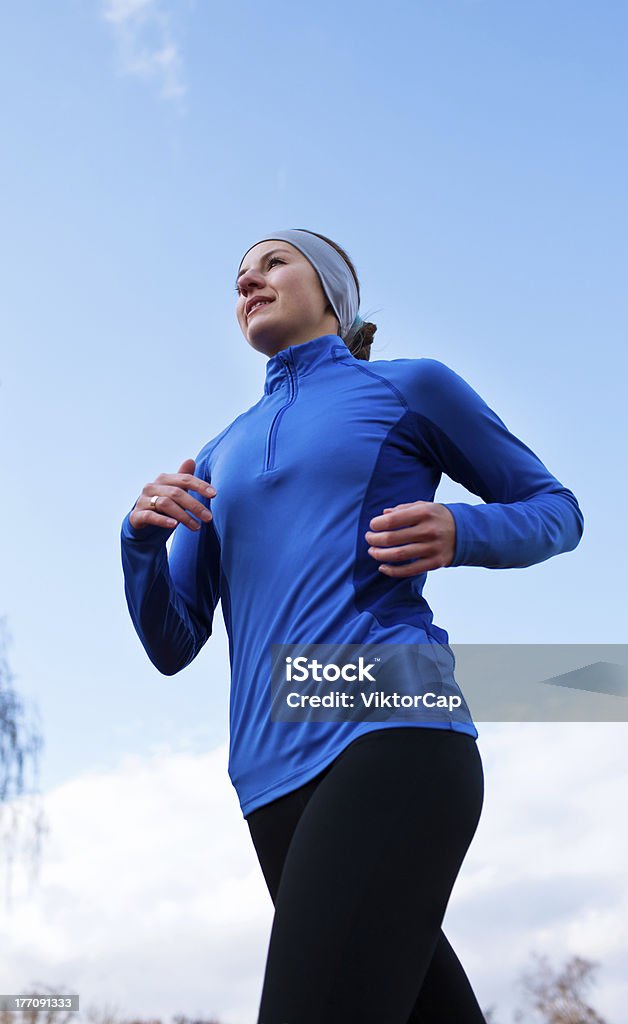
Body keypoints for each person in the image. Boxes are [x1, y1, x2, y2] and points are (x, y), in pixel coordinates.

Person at [120, 228, 584, 1023]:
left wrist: (459, 530)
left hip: (392, 730)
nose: (248, 284)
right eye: (239, 277)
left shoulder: (411, 387)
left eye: (272, 263)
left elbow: (555, 511)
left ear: (332, 293)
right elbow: (173, 642)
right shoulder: (217, 454)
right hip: (267, 782)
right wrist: (137, 545)